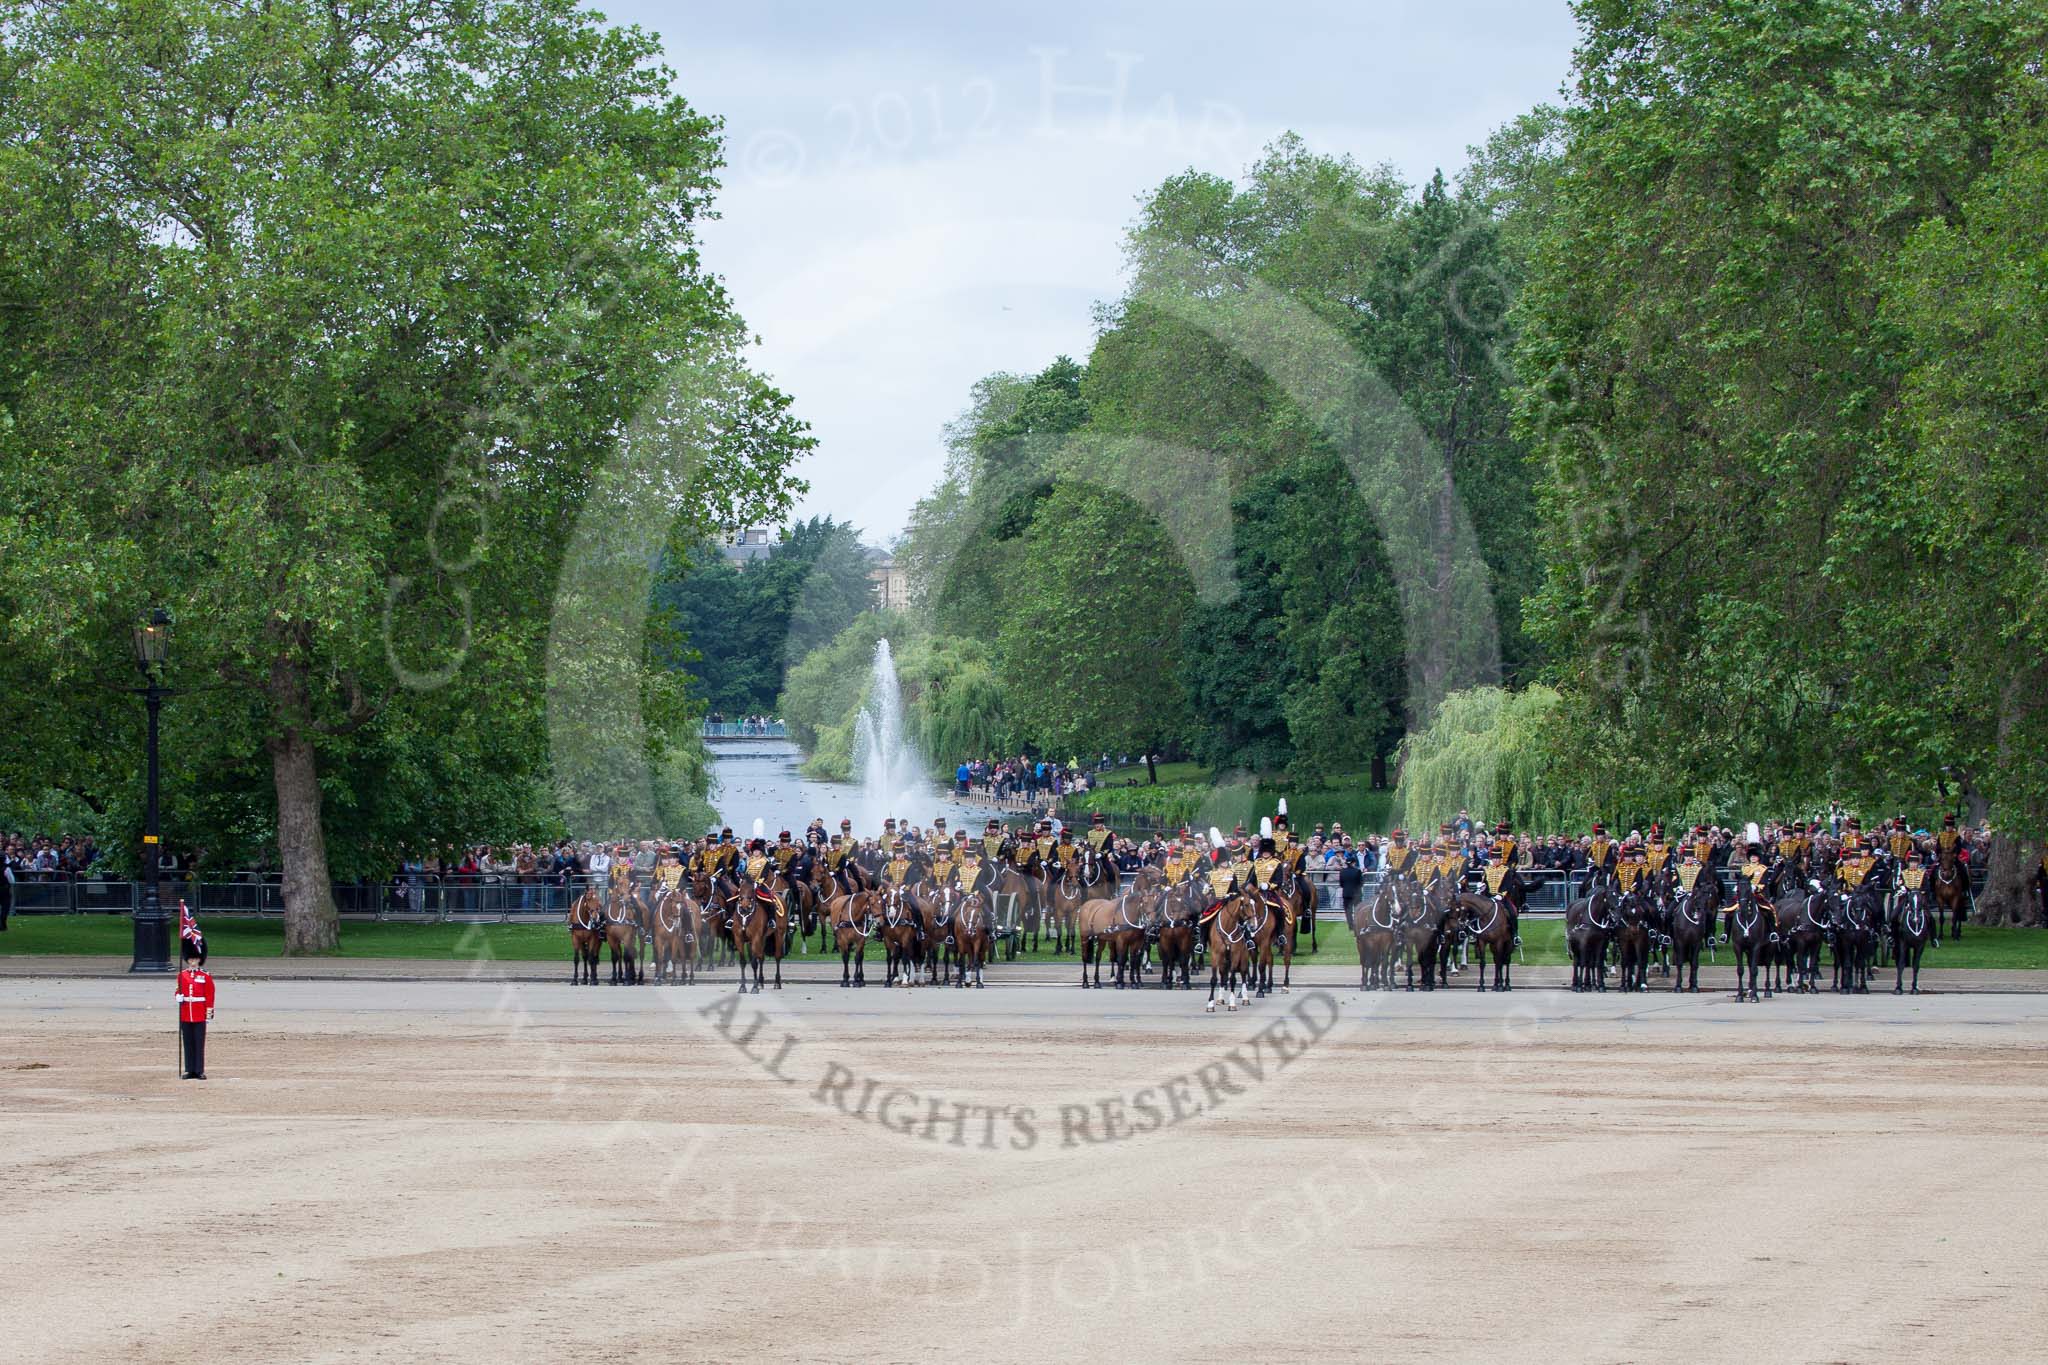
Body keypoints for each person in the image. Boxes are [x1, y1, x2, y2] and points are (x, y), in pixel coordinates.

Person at [176, 936, 215, 1080]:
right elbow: (178, 990)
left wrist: (208, 1014)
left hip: (199, 1013)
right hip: (186, 1012)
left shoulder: (205, 976)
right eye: (190, 959)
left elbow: (210, 996)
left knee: (199, 1043)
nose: (192, 962)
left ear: (200, 960)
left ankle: (199, 1070)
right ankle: (189, 1069)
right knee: (187, 1042)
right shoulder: (182, 975)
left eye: (195, 959)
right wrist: (177, 997)